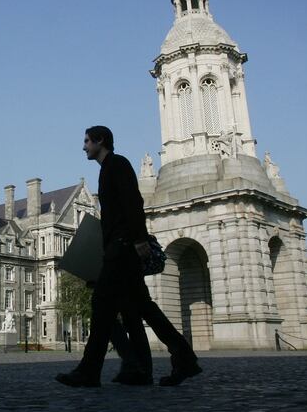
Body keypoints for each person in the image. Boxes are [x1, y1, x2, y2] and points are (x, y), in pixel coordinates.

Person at [56, 126, 201, 388]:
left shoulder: (117, 164)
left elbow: (133, 202)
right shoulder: (106, 168)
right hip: (119, 247)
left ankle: (90, 371)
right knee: (143, 307)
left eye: (87, 141)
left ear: (100, 140)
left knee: (102, 306)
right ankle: (182, 357)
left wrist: (139, 239)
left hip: (123, 248)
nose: (84, 146)